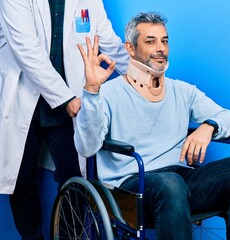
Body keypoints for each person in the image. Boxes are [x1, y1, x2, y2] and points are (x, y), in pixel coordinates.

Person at [75, 12, 230, 240]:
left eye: (164, 41)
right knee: (170, 183)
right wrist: (92, 91)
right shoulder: (108, 93)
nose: (161, 48)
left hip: (179, 182)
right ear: (130, 48)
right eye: (151, 41)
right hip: (130, 188)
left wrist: (208, 127)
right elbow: (87, 147)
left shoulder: (182, 91)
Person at [0, 0, 129, 239]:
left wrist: (144, 77)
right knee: (21, 180)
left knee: (74, 178)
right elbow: (25, 49)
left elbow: (109, 43)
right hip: (25, 95)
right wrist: (65, 98)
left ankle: (69, 236)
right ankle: (32, 237)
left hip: (67, 101)